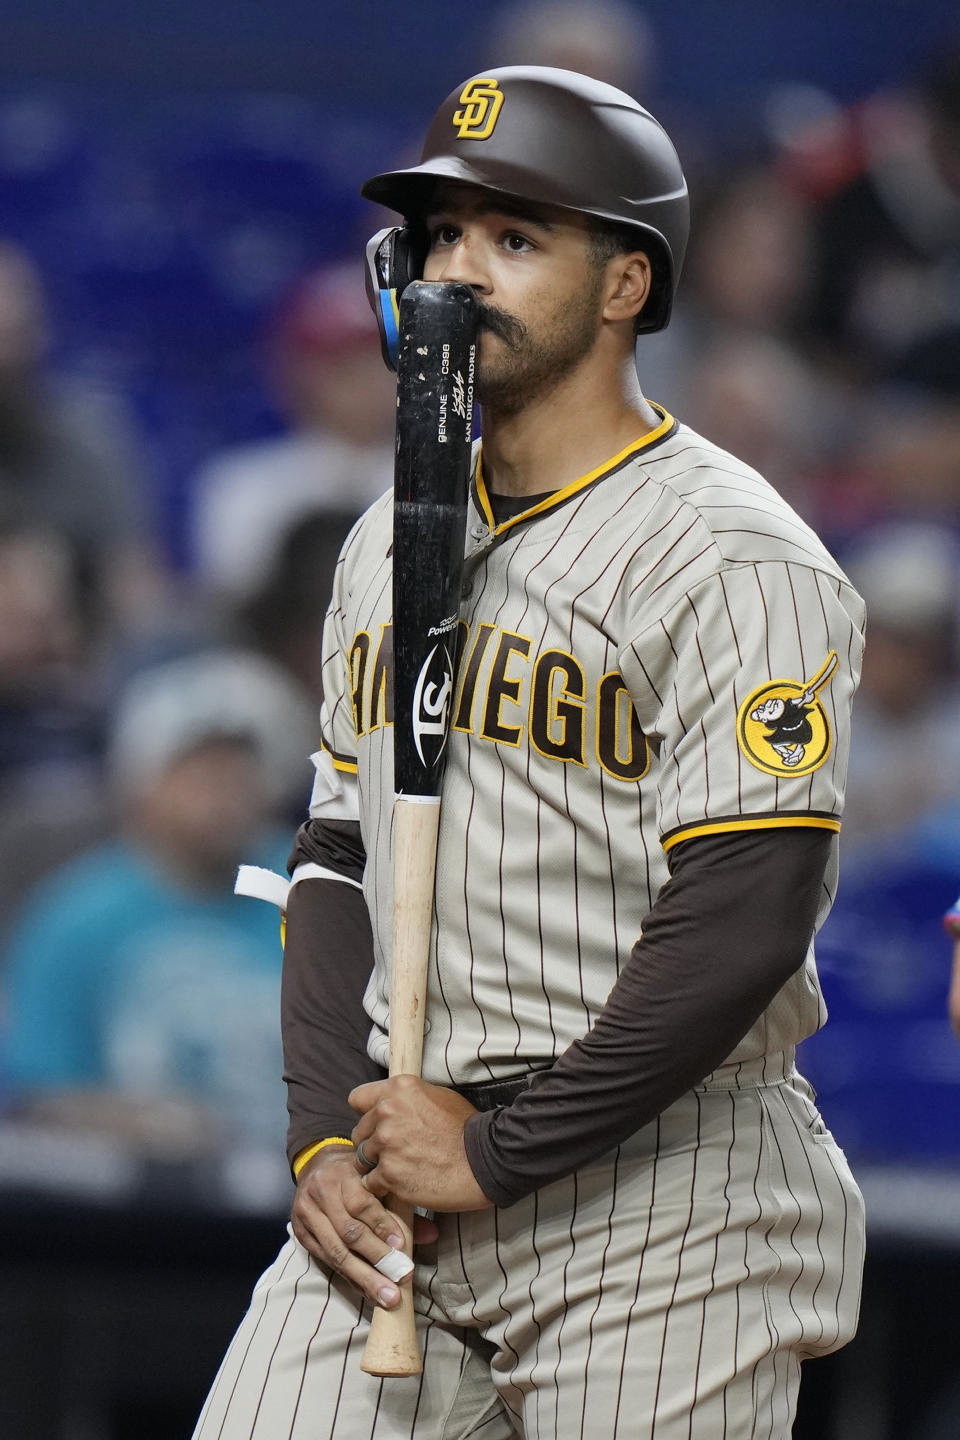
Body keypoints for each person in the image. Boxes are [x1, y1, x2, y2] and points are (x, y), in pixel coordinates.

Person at [193, 67, 866, 1440]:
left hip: (662, 1203)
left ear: (626, 286)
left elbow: (744, 914)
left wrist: (498, 1153)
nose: (458, 272)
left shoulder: (733, 557)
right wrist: (327, 1136)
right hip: (399, 1174)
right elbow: (332, 858)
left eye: (514, 238)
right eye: (442, 236)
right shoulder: (381, 541)